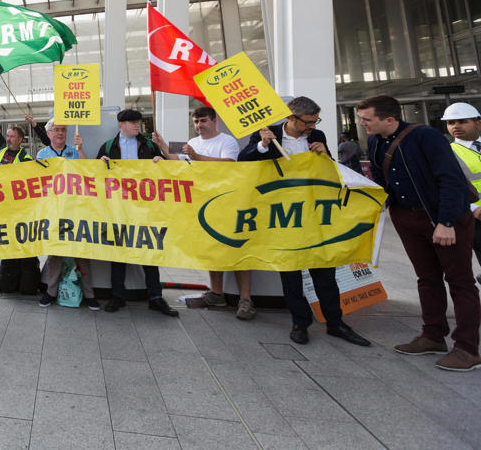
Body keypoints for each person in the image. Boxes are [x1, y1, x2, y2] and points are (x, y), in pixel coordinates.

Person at [359, 95, 481, 371]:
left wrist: (447, 222)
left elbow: (450, 180)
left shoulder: (426, 137)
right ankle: (432, 335)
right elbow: (381, 177)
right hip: (407, 218)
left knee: (459, 280)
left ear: (389, 119)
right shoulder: (376, 141)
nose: (362, 124)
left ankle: (467, 348)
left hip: (443, 220)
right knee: (427, 278)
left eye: (367, 119)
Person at [238, 96, 370, 347]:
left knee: (324, 271)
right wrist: (264, 146)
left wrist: (326, 156)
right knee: (291, 274)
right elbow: (243, 162)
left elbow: (330, 172)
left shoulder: (316, 135)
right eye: (308, 122)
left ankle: (335, 322)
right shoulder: (267, 134)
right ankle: (300, 322)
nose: (312, 125)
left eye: (315, 121)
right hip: (283, 216)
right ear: (291, 118)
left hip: (314, 215)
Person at [156, 107, 253, 319]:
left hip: (228, 202)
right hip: (203, 204)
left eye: (203, 121)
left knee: (237, 250)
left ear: (214, 120)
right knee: (212, 249)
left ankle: (246, 299)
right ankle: (216, 293)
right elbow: (180, 161)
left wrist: (197, 156)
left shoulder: (226, 142)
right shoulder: (193, 143)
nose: (199, 125)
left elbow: (229, 165)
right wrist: (162, 150)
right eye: (196, 121)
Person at [96, 109, 178, 317]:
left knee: (149, 251)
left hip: (145, 208)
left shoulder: (149, 145)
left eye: (138, 122)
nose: (136, 125)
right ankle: (117, 295)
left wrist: (161, 162)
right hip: (118, 208)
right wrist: (100, 164)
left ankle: (155, 297)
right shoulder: (107, 147)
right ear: (121, 124)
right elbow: (94, 177)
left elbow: (169, 170)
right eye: (132, 122)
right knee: (118, 252)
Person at [36, 120, 98, 310]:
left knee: (81, 253)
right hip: (55, 211)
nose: (60, 133)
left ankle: (90, 295)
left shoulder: (74, 150)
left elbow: (87, 172)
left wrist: (80, 148)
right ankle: (51, 292)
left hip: (76, 210)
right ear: (48, 134)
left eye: (63, 130)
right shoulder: (42, 154)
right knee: (55, 254)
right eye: (56, 130)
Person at [0, 98, 34, 281]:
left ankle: (11, 266)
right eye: (8, 135)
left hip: (14, 205)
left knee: (11, 234)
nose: (8, 138)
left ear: (20, 140)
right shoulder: (2, 150)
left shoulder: (26, 158)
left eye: (12, 136)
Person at [440, 102, 481, 285]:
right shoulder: (448, 152)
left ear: (477, 123)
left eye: (462, 121)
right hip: (477, 217)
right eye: (450, 123)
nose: (455, 126)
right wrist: (472, 207)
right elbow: (451, 185)